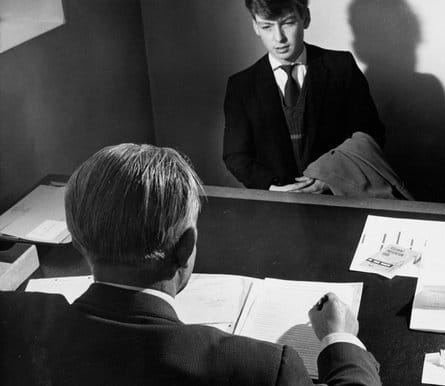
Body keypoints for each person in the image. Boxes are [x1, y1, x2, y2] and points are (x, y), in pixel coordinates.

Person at [0, 144, 381, 386]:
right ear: (187, 247)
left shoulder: (17, 321)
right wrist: (340, 339)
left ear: (78, 240)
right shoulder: (261, 368)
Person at [223, 0, 385, 193]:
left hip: (337, 199)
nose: (279, 38)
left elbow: (371, 134)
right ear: (255, 26)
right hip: (277, 206)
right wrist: (272, 187)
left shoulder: (341, 67)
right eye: (267, 26)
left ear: (305, 18)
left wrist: (329, 181)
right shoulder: (241, 85)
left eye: (288, 23)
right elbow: (235, 155)